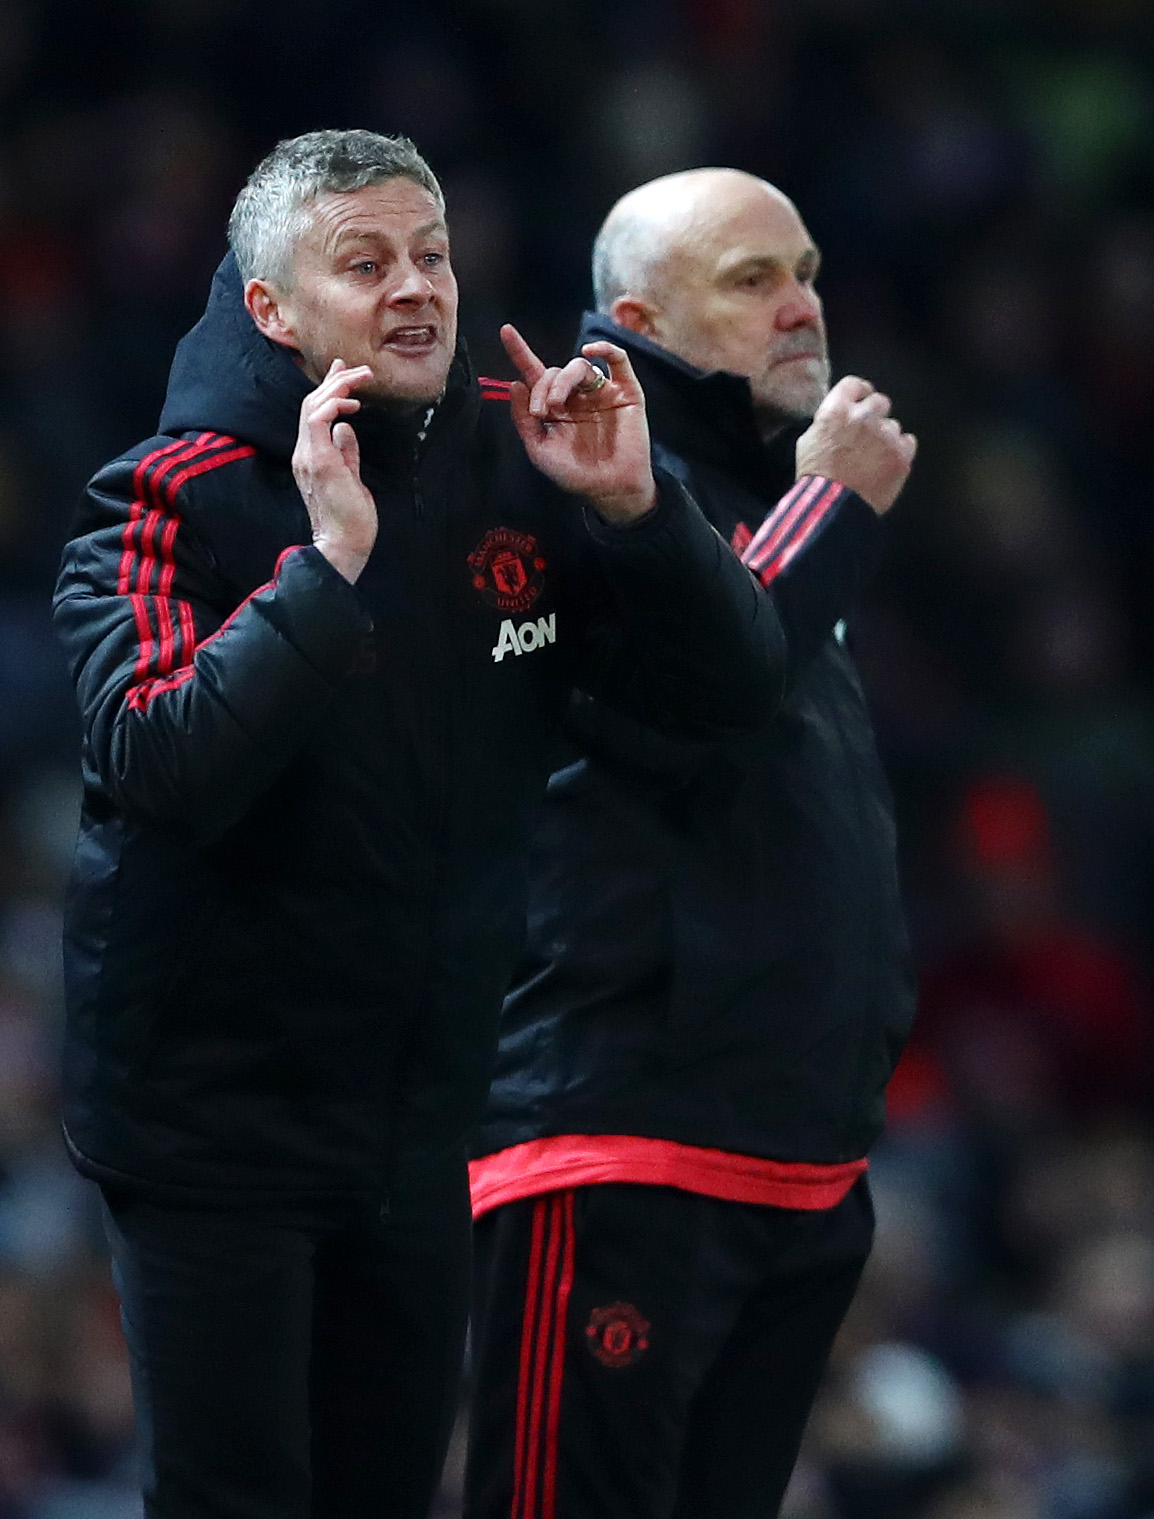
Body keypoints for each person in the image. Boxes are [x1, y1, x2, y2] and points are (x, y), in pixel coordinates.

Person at [53, 131, 784, 1519]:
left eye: (432, 254)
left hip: (425, 1118)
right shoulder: (165, 499)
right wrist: (325, 576)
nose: (415, 288)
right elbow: (156, 756)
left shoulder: (527, 463)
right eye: (365, 262)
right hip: (212, 1127)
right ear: (270, 311)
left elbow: (732, 691)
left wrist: (637, 510)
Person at [465, 167, 917, 1519]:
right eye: (753, 280)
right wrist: (827, 510)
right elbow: (714, 691)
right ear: (633, 316)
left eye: (809, 270)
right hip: (617, 1131)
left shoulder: (764, 489)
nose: (803, 308)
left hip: (796, 1149)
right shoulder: (583, 476)